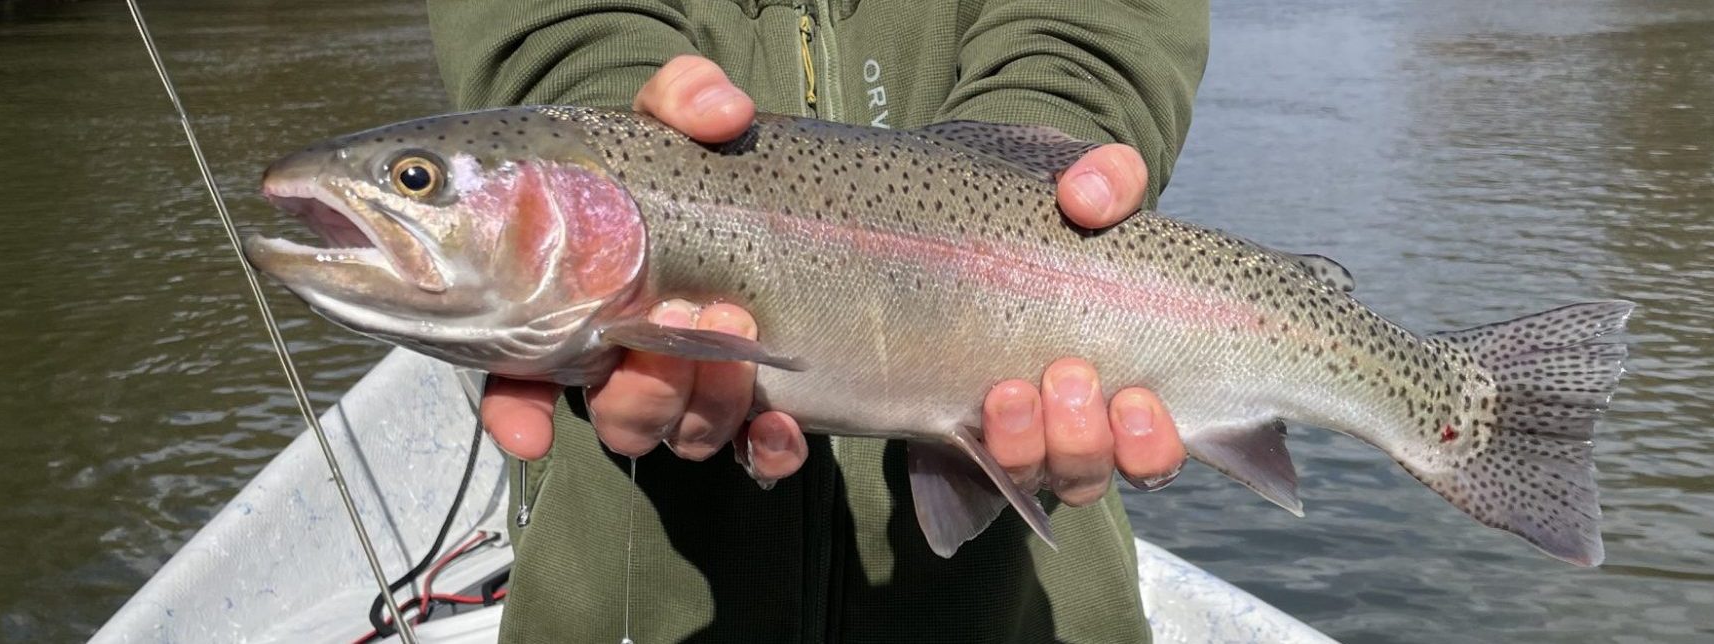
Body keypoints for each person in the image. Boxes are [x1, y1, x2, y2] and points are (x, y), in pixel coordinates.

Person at [426, 2, 1207, 641]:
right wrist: (622, 120)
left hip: (1019, 610)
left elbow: (1094, 28)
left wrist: (1036, 166)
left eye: (417, 180)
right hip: (623, 599)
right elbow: (555, 29)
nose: (412, 193)